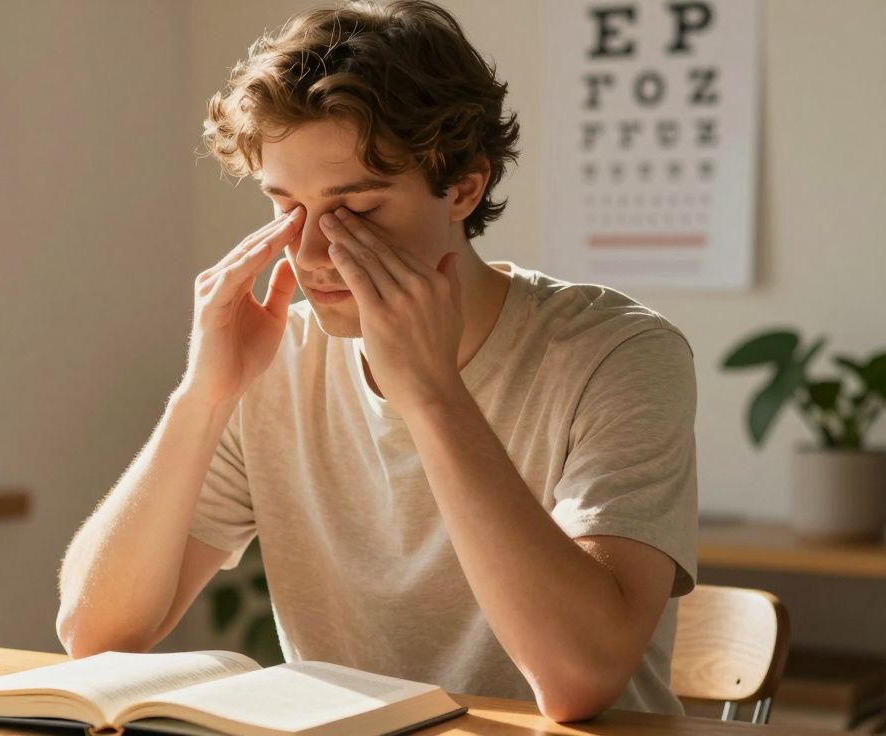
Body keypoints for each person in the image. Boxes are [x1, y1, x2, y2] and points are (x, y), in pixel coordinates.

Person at [56, 0, 697, 722]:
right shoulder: (280, 360)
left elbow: (578, 681)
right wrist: (201, 398)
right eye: (286, 207)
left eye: (355, 210)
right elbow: (95, 635)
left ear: (463, 187)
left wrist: (430, 393)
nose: (310, 253)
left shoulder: (619, 353)